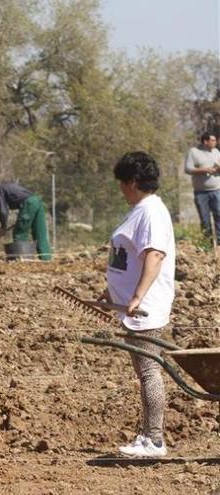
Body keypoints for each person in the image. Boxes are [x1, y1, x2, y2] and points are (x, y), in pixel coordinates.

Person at [102, 151, 176, 458]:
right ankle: (149, 437)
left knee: (149, 372)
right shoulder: (139, 210)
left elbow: (154, 256)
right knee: (146, 372)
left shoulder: (150, 212)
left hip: (146, 308)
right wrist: (112, 292)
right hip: (133, 306)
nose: (120, 189)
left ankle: (154, 440)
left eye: (122, 182)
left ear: (133, 182)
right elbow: (128, 258)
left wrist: (135, 297)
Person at [0, 182, 52, 261]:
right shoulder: (3, 188)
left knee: (19, 233)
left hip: (29, 203)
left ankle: (22, 259)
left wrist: (3, 227)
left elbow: (3, 211)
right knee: (39, 232)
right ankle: (46, 258)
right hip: (36, 201)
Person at [183, 132, 220, 243]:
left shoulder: (217, 152)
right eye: (213, 140)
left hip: (217, 190)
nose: (215, 142)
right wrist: (205, 170)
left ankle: (219, 242)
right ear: (205, 141)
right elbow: (188, 169)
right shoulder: (194, 152)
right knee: (205, 219)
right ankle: (207, 243)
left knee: (219, 215)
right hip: (201, 193)